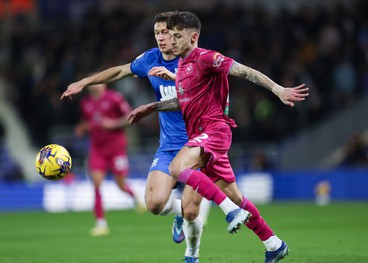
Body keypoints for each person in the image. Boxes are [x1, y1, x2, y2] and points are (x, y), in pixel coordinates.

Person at [128, 11, 309, 263]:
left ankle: (229, 211)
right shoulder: (182, 67)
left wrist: (277, 89)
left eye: (177, 36)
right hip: (203, 136)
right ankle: (274, 244)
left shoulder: (206, 58)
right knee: (237, 195)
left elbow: (244, 71)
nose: (172, 41)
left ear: (193, 37)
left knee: (177, 167)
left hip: (213, 131)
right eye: (170, 35)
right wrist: (152, 107)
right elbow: (183, 101)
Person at [61, 12, 210, 262]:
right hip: (169, 146)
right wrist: (84, 82)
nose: (162, 38)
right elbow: (120, 72)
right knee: (154, 204)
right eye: (157, 33)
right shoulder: (150, 59)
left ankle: (191, 256)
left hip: (199, 142)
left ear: (178, 33)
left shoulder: (197, 60)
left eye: (166, 33)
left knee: (192, 210)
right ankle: (178, 213)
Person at [75, 83, 143, 236]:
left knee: (120, 185)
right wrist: (82, 128)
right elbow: (88, 121)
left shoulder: (114, 98)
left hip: (116, 148)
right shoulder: (86, 103)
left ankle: (134, 196)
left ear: (104, 84)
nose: (96, 86)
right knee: (97, 185)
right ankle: (101, 224)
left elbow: (130, 116)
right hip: (97, 149)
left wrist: (113, 124)